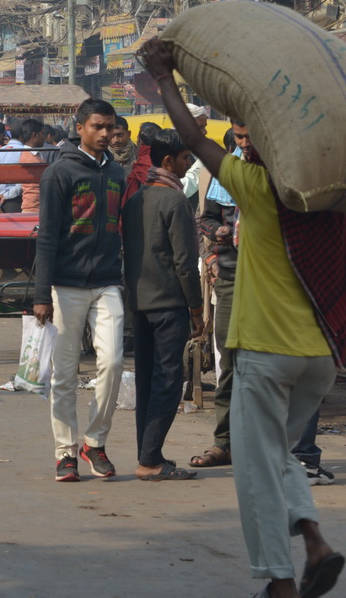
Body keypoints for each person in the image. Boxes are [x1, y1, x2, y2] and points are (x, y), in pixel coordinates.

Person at [143, 38, 346, 598]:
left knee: (252, 470)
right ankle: (315, 542)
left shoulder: (258, 187)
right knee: (273, 452)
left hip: (267, 354)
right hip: (321, 353)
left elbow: (194, 137)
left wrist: (164, 77)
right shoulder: (336, 194)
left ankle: (279, 582)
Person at [31, 98, 126, 482]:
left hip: (107, 282)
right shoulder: (59, 173)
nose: (105, 134)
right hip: (66, 284)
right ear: (81, 127)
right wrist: (40, 295)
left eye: (110, 127)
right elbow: (48, 236)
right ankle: (65, 452)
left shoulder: (117, 172)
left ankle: (95, 443)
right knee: (65, 374)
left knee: (114, 361)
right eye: (98, 127)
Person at [123, 129, 203, 482]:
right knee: (169, 381)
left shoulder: (136, 199)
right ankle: (150, 458)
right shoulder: (175, 201)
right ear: (168, 161)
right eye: (186, 159)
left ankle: (148, 453)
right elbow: (186, 263)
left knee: (148, 379)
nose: (188, 166)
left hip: (139, 302)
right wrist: (197, 309)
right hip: (169, 304)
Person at [190, 121, 248, 472]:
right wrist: (219, 233)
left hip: (273, 280)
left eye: (248, 136)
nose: (244, 143)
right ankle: (224, 442)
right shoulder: (226, 172)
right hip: (231, 276)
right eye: (239, 137)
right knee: (230, 360)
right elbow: (206, 220)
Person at [17, 120, 48, 212]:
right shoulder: (30, 158)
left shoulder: (33, 155)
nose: (44, 137)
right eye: (42, 134)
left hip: (35, 207)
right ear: (34, 135)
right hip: (34, 209)